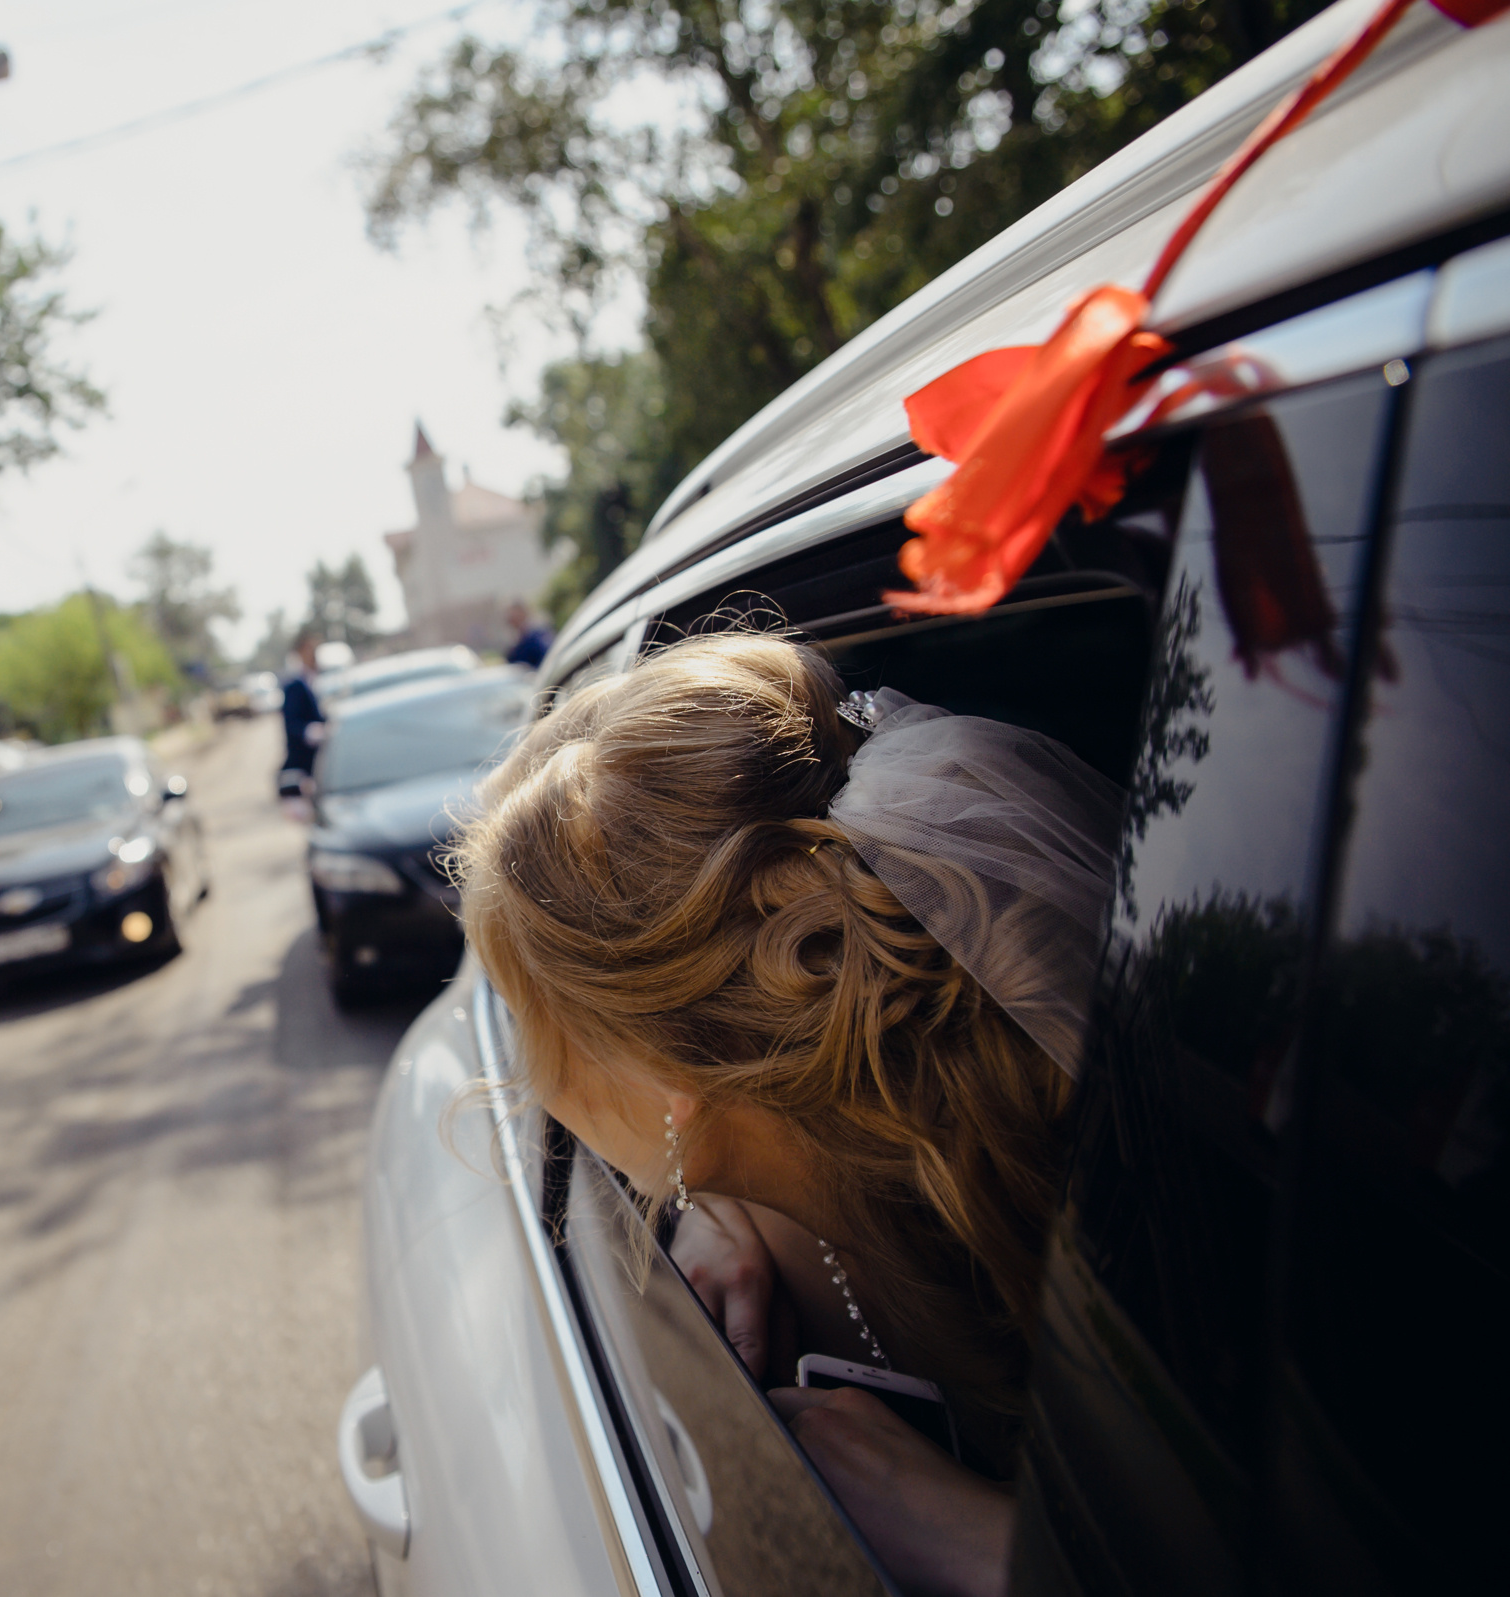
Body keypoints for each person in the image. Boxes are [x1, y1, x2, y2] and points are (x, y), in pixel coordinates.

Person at [451, 631, 1120, 1597]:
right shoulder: (804, 1136)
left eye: (534, 1024)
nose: (531, 1083)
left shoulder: (1111, 1239)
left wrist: (990, 1545)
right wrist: (717, 1192)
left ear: (666, 1077)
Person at [277, 630, 325, 798]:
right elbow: (291, 724)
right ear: (300, 652)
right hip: (305, 766)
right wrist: (310, 730)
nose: (313, 654)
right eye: (309, 650)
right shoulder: (295, 684)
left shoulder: (316, 678)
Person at [503, 600, 553, 669]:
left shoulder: (537, 635)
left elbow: (546, 658)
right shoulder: (519, 638)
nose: (509, 618)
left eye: (512, 614)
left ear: (522, 613)